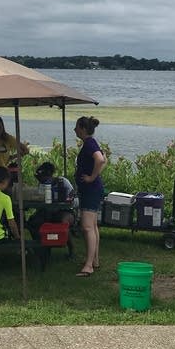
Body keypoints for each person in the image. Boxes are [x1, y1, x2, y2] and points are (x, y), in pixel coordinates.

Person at [73, 116, 106, 277]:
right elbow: (103, 159)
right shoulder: (90, 143)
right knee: (92, 226)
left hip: (91, 189)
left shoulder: (89, 143)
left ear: (83, 129)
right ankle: (95, 260)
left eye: (76, 127)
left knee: (87, 227)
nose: (74, 130)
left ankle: (88, 265)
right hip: (92, 189)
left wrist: (92, 178)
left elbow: (100, 160)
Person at [31, 161, 77, 258]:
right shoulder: (42, 185)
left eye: (43, 177)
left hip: (65, 211)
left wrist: (66, 200)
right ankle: (41, 246)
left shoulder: (63, 182)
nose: (41, 180)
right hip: (47, 211)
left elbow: (74, 200)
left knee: (64, 221)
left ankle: (71, 248)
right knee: (33, 221)